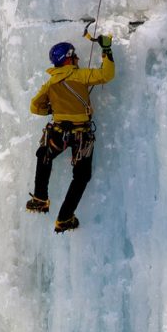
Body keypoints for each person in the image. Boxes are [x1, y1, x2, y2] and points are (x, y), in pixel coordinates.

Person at [27, 36, 115, 233]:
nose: (76, 58)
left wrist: (52, 110)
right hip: (80, 134)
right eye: (73, 55)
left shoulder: (50, 83)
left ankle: (40, 198)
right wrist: (106, 50)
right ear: (68, 59)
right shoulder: (80, 76)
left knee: (44, 156)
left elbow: (35, 106)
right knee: (81, 176)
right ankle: (65, 217)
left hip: (58, 131)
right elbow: (106, 75)